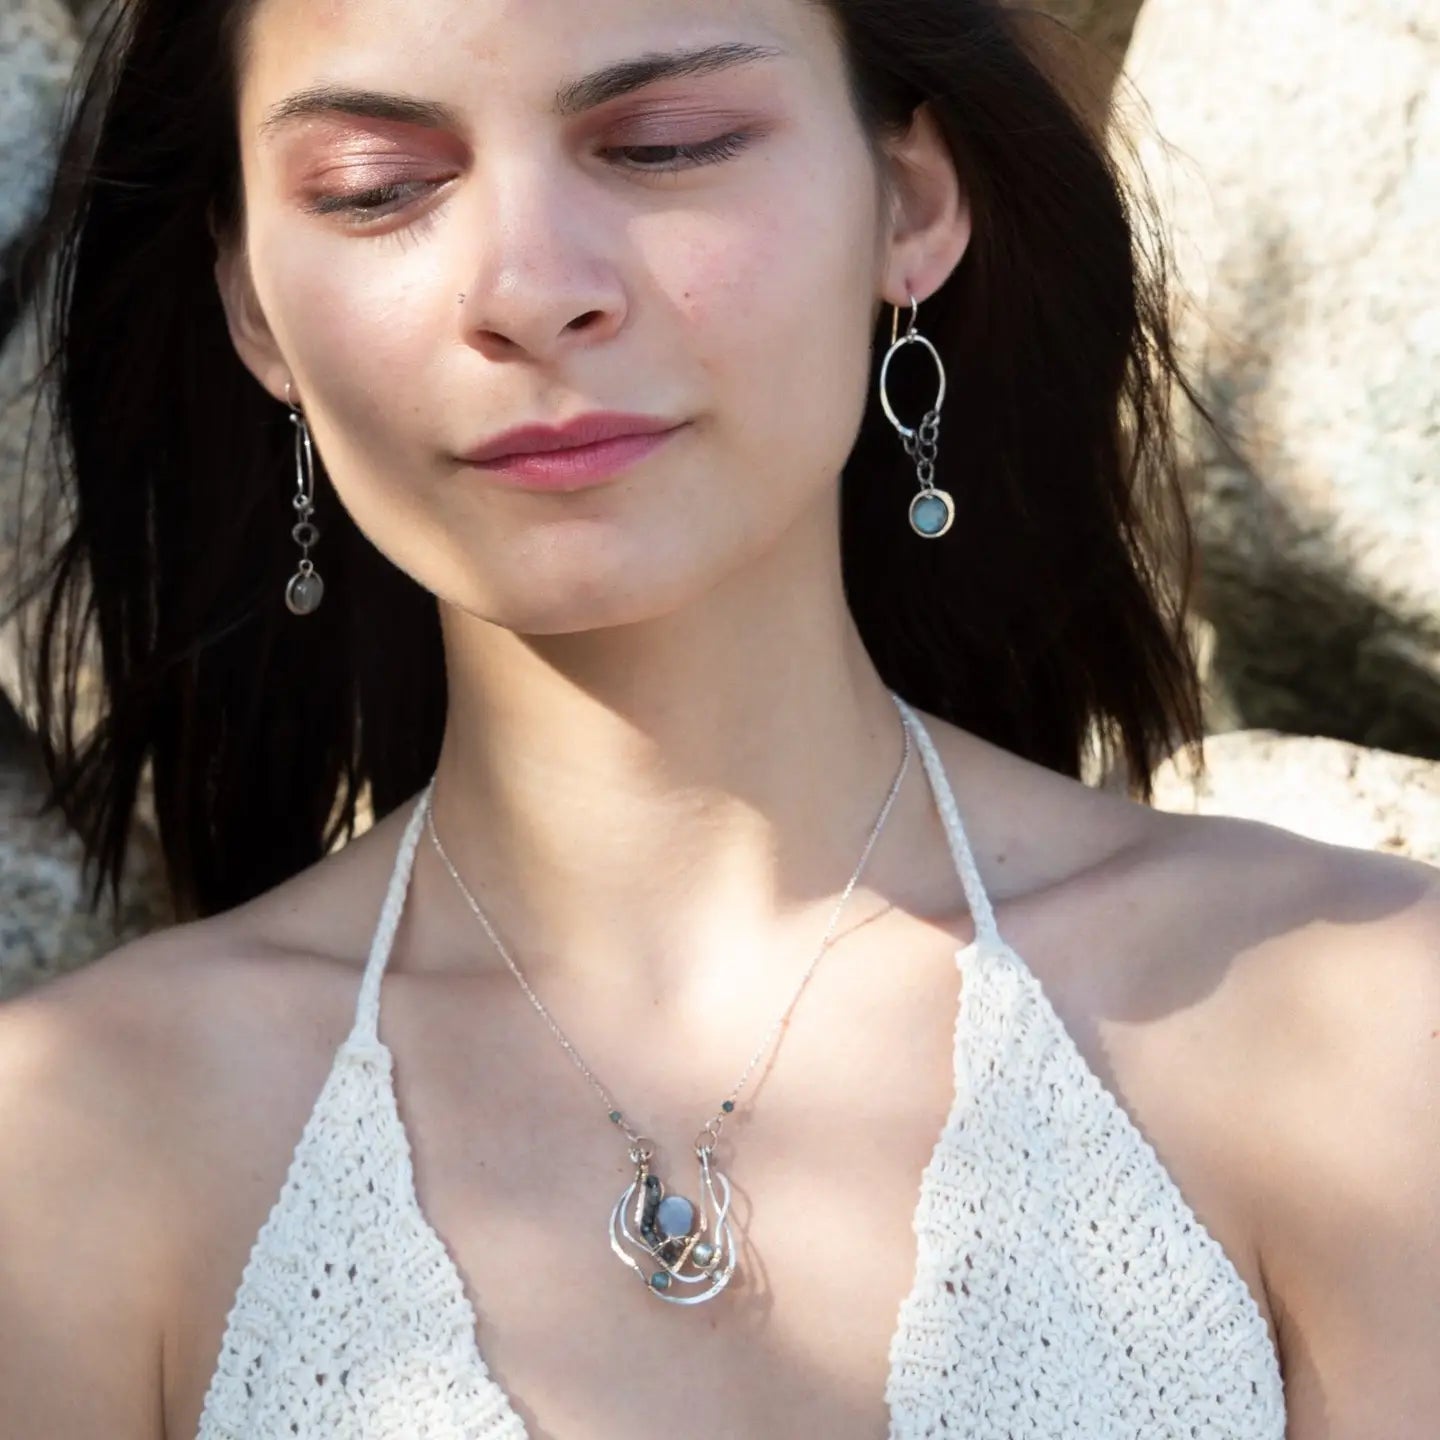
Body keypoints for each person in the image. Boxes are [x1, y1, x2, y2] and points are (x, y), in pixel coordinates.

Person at [1, 0, 1436, 1435]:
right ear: (255, 302)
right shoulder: (76, 1149)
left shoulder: (1360, 1028)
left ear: (911, 205)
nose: (528, 287)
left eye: (664, 145)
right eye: (379, 188)